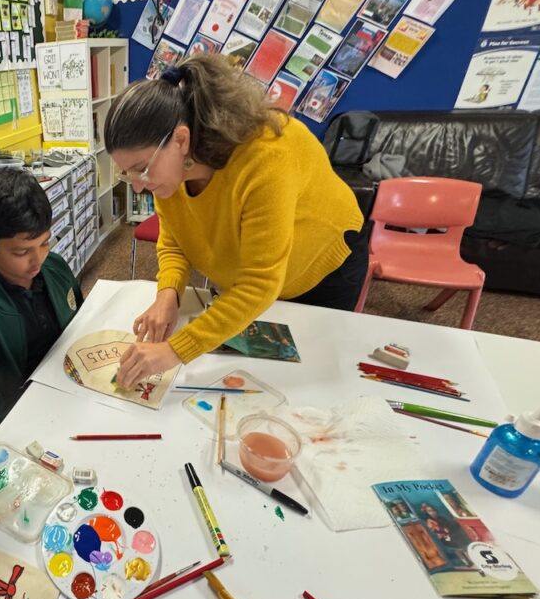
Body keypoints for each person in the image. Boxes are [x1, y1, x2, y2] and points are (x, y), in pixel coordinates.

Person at [105, 55, 366, 388]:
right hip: (253, 276)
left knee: (309, 381)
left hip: (321, 267)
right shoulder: (170, 167)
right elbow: (175, 238)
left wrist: (174, 350)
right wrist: (168, 294)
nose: (138, 185)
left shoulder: (266, 156)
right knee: (250, 375)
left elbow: (259, 284)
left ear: (181, 140)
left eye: (141, 169)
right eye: (127, 173)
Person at [0, 170, 82, 450]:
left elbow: (79, 325)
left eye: (45, 242)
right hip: (19, 428)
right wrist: (30, 422)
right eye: (21, 252)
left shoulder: (56, 268)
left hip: (72, 396)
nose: (38, 259)